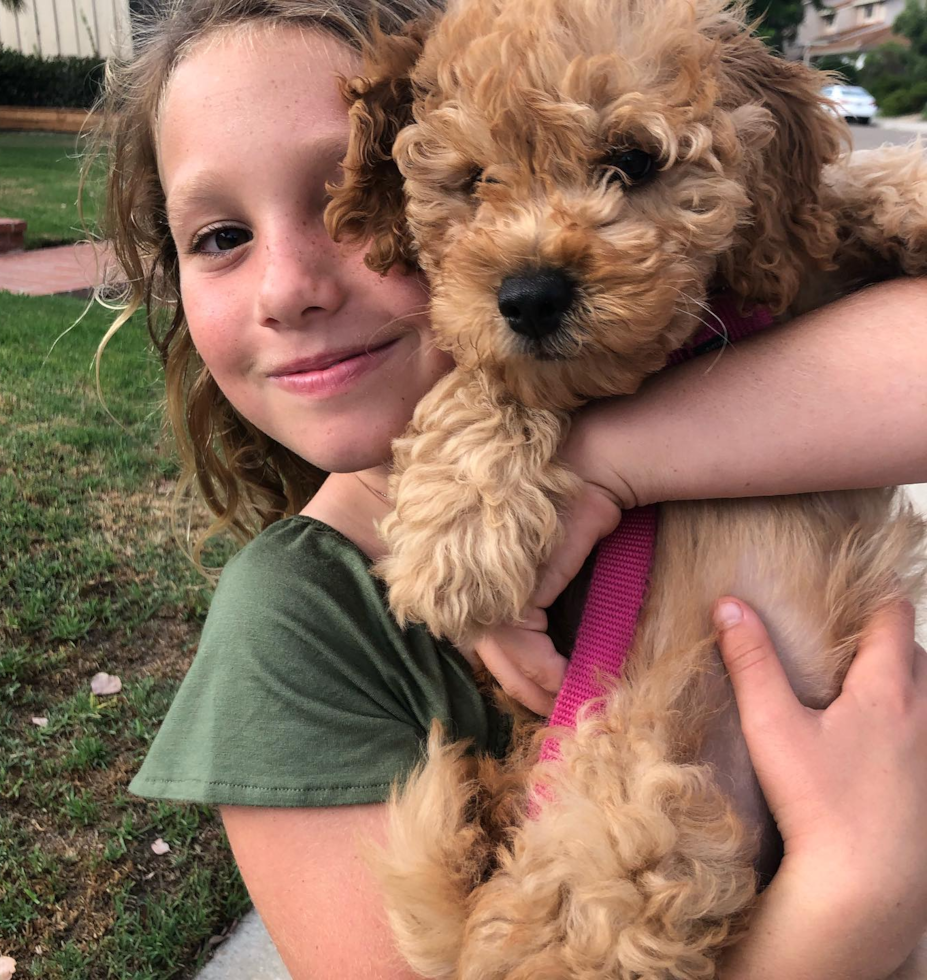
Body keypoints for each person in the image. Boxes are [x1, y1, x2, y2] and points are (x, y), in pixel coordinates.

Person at [90, 1, 927, 977]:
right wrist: (849, 900)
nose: (288, 287)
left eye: (340, 202)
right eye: (221, 235)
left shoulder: (667, 363)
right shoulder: (295, 623)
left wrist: (605, 459)